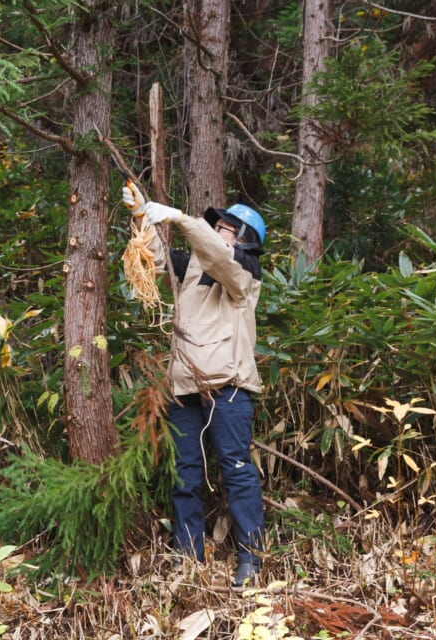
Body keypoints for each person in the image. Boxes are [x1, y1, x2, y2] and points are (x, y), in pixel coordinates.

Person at [122, 182, 267, 589]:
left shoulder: (245, 273)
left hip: (229, 388)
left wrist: (181, 219)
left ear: (244, 238)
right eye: (217, 224)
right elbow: (154, 260)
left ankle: (251, 560)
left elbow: (220, 257)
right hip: (184, 390)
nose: (218, 228)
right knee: (185, 474)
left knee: (237, 472)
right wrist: (142, 218)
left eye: (226, 225)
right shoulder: (193, 269)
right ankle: (187, 558)